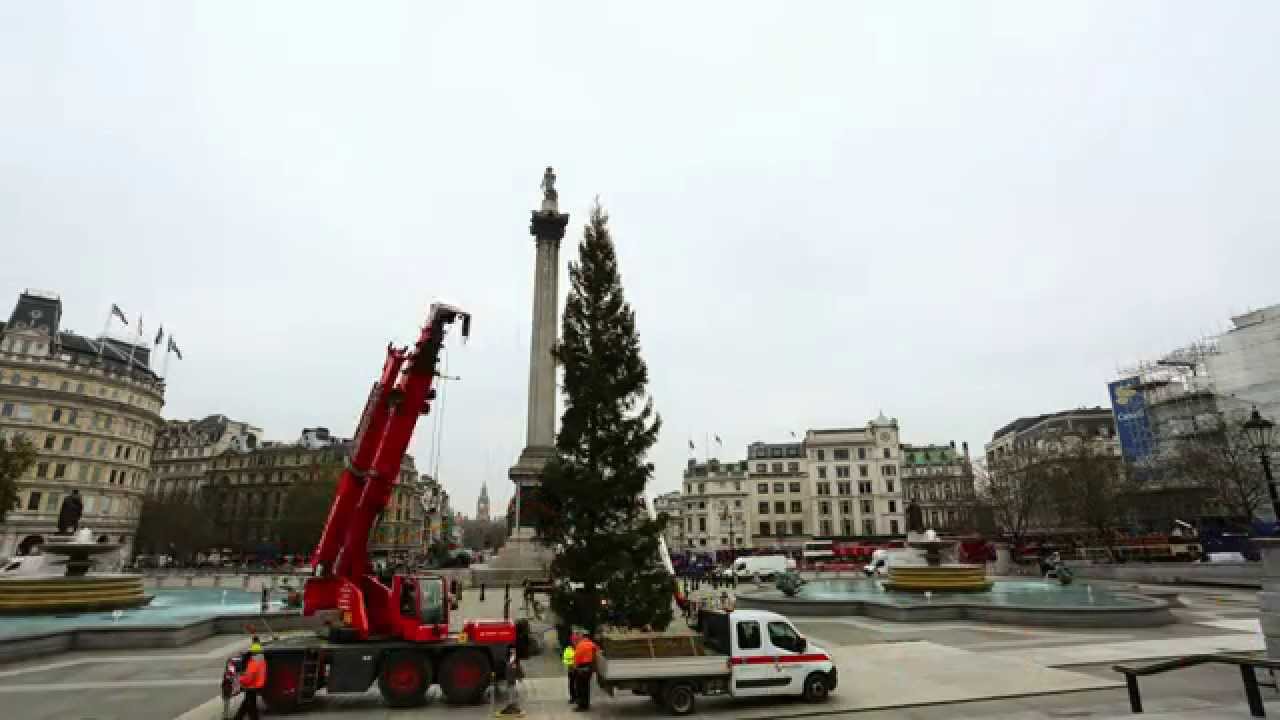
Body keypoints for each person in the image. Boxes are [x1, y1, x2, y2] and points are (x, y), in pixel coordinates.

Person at [234, 638, 267, 720]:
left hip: (251, 686)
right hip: (258, 684)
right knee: (247, 702)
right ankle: (238, 717)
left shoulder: (253, 664)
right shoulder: (262, 661)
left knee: (251, 705)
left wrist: (239, 679)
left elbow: (248, 678)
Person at [496, 646, 525, 716]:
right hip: (510, 678)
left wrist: (519, 676)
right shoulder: (511, 659)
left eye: (513, 651)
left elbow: (516, 667)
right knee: (511, 688)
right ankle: (512, 706)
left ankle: (512, 707)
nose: (512, 653)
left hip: (511, 678)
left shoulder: (513, 660)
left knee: (511, 689)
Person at [573, 631, 598, 711]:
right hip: (589, 667)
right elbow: (597, 654)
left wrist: (575, 667)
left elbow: (577, 656)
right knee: (586, 686)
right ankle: (586, 704)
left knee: (580, 687)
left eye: (579, 636)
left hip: (582, 667)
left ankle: (581, 706)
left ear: (582, 637)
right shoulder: (592, 644)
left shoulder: (580, 645)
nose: (578, 637)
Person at [563, 632, 579, 704]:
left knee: (578, 684)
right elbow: (566, 660)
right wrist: (571, 665)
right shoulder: (568, 649)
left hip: (578, 669)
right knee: (572, 684)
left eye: (576, 640)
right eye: (574, 640)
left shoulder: (580, 648)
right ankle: (573, 698)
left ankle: (577, 697)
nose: (575, 642)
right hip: (572, 669)